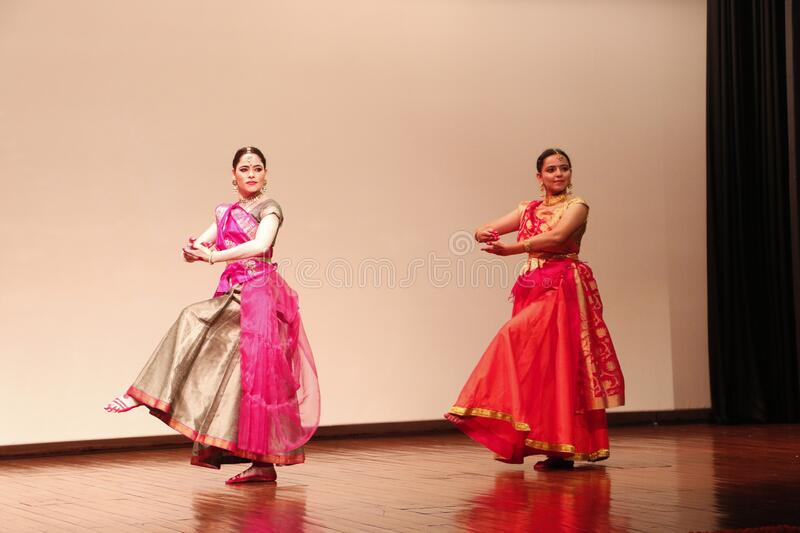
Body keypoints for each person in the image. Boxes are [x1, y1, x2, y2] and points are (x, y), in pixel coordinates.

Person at [105, 146, 320, 484]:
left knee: (256, 377)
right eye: (245, 168)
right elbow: (202, 245)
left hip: (260, 294)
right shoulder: (225, 212)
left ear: (265, 175)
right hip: (234, 291)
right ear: (233, 175)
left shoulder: (270, 208)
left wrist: (211, 258)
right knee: (226, 369)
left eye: (258, 168)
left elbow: (260, 245)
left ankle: (263, 464)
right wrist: (192, 252)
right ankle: (261, 465)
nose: (251, 173)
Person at [445, 148, 624, 470]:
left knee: (551, 357)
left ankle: (561, 446)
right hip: (533, 286)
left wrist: (511, 248)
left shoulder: (577, 206)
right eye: (552, 169)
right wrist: (480, 233)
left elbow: (557, 237)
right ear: (539, 176)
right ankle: (556, 448)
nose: (559, 174)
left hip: (562, 287)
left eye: (564, 168)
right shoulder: (528, 209)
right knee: (541, 365)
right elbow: (488, 227)